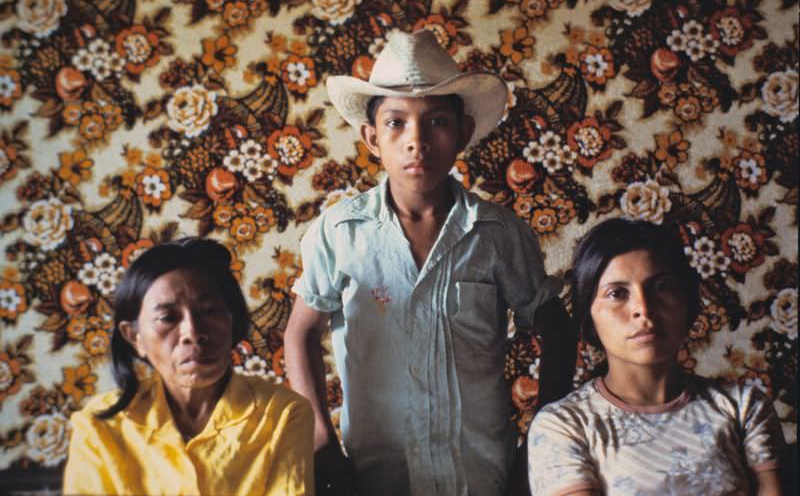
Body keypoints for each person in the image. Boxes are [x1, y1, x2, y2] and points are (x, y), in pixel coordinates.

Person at [284, 29, 577, 496]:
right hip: (374, 475)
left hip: (480, 474)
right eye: (396, 123)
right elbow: (299, 332)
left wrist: (542, 439)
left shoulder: (499, 234)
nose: (416, 140)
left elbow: (558, 330)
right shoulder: (339, 232)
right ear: (371, 137)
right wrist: (320, 438)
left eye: (436, 121)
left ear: (462, 133)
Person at [527, 217, 784, 495]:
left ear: (687, 301)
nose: (644, 309)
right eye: (617, 293)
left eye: (661, 286)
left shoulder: (743, 408)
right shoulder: (565, 425)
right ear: (589, 316)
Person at [63, 238, 314, 495]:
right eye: (167, 318)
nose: (192, 332)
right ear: (134, 337)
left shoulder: (282, 414)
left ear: (233, 320)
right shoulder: (100, 425)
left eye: (210, 311)